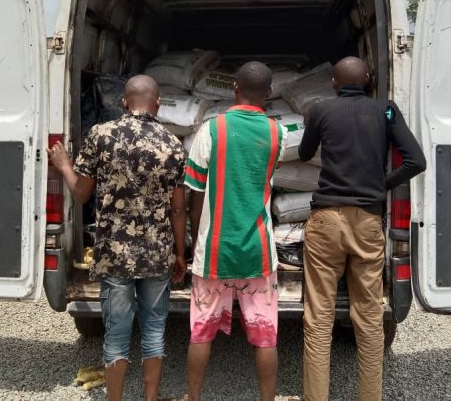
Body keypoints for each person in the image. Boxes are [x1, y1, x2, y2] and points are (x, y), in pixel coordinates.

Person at [48, 74, 187, 401]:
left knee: (117, 335)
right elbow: (178, 210)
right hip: (156, 254)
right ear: (158, 104)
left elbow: (82, 194)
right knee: (154, 333)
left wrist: (64, 165)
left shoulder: (100, 135)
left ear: (124, 102)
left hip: (115, 254)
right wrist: (179, 255)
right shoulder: (173, 144)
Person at [299, 56, 426, 401]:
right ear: (369, 79)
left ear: (334, 83)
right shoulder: (385, 110)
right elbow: (417, 160)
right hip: (368, 222)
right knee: (369, 317)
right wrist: (381, 184)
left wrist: (314, 122)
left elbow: (306, 150)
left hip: (326, 222)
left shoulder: (322, 109)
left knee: (319, 317)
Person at [184, 61, 287, 401]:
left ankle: (194, 397)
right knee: (265, 333)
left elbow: (195, 190)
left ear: (234, 88)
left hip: (214, 250)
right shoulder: (279, 133)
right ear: (269, 94)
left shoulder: (212, 129)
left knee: (201, 332)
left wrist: (197, 239)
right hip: (258, 250)